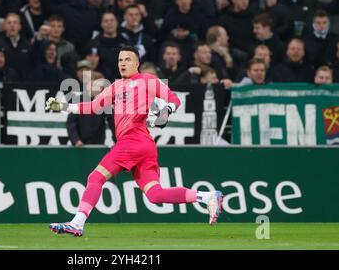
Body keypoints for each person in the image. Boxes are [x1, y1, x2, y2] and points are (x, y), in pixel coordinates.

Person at [46, 45, 224, 236]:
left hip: (133, 141)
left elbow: (173, 98)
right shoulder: (115, 86)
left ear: (137, 63)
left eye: (128, 59)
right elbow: (93, 106)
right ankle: (207, 196)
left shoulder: (148, 80)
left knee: (95, 177)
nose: (123, 63)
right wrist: (64, 106)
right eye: (120, 60)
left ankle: (77, 222)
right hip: (143, 146)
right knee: (155, 195)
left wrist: (166, 111)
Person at [66, 70, 115, 146]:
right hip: (80, 145)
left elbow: (113, 123)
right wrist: (76, 140)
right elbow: (71, 122)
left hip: (98, 144)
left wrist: (118, 141)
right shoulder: (78, 100)